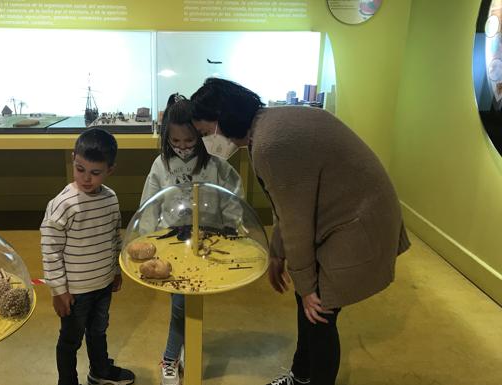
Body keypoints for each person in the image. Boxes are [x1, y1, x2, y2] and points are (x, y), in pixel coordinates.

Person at [190, 78, 410, 385]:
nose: (206, 141)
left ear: (224, 118)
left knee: (320, 312)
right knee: (308, 306)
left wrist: (307, 287)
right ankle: (301, 376)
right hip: (340, 215)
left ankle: (312, 378)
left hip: (358, 222)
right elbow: (288, 204)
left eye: (205, 132)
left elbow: (296, 220)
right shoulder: (267, 127)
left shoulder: (270, 143)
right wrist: (278, 254)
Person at [140, 93, 244, 385]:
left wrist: (233, 228)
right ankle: (170, 357)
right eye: (176, 142)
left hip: (209, 243)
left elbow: (232, 195)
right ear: (166, 139)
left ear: (199, 136)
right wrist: (147, 241)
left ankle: (186, 347)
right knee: (180, 305)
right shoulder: (160, 165)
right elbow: (150, 204)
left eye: (188, 141)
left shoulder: (215, 164)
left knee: (193, 301)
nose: (183, 147)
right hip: (173, 244)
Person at [41, 128, 135, 385]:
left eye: (95, 173)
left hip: (103, 285)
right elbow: (50, 249)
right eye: (80, 169)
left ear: (110, 170)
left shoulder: (111, 198)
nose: (86, 179)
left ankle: (100, 370)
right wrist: (58, 290)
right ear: (74, 158)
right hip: (75, 292)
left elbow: (114, 237)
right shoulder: (63, 204)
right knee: (70, 340)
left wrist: (116, 270)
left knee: (98, 331)